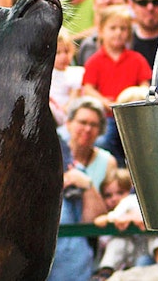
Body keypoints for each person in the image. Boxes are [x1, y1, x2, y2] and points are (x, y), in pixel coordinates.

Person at [49, 98, 114, 281]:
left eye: (93, 124)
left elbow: (103, 211)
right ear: (68, 124)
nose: (87, 129)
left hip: (92, 239)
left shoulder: (107, 162)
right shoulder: (53, 155)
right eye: (82, 122)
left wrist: (86, 183)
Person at [80, 4, 152, 164]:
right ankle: (117, 170)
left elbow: (145, 86)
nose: (118, 33)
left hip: (132, 116)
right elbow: (88, 88)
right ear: (101, 31)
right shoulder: (95, 61)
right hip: (107, 117)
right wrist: (105, 102)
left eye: (123, 29)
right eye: (113, 28)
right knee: (104, 142)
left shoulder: (137, 59)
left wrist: (133, 97)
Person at [49, 28, 81, 126]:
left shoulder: (76, 73)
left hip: (68, 114)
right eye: (58, 53)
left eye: (66, 51)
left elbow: (74, 99)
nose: (63, 57)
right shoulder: (47, 75)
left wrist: (65, 108)